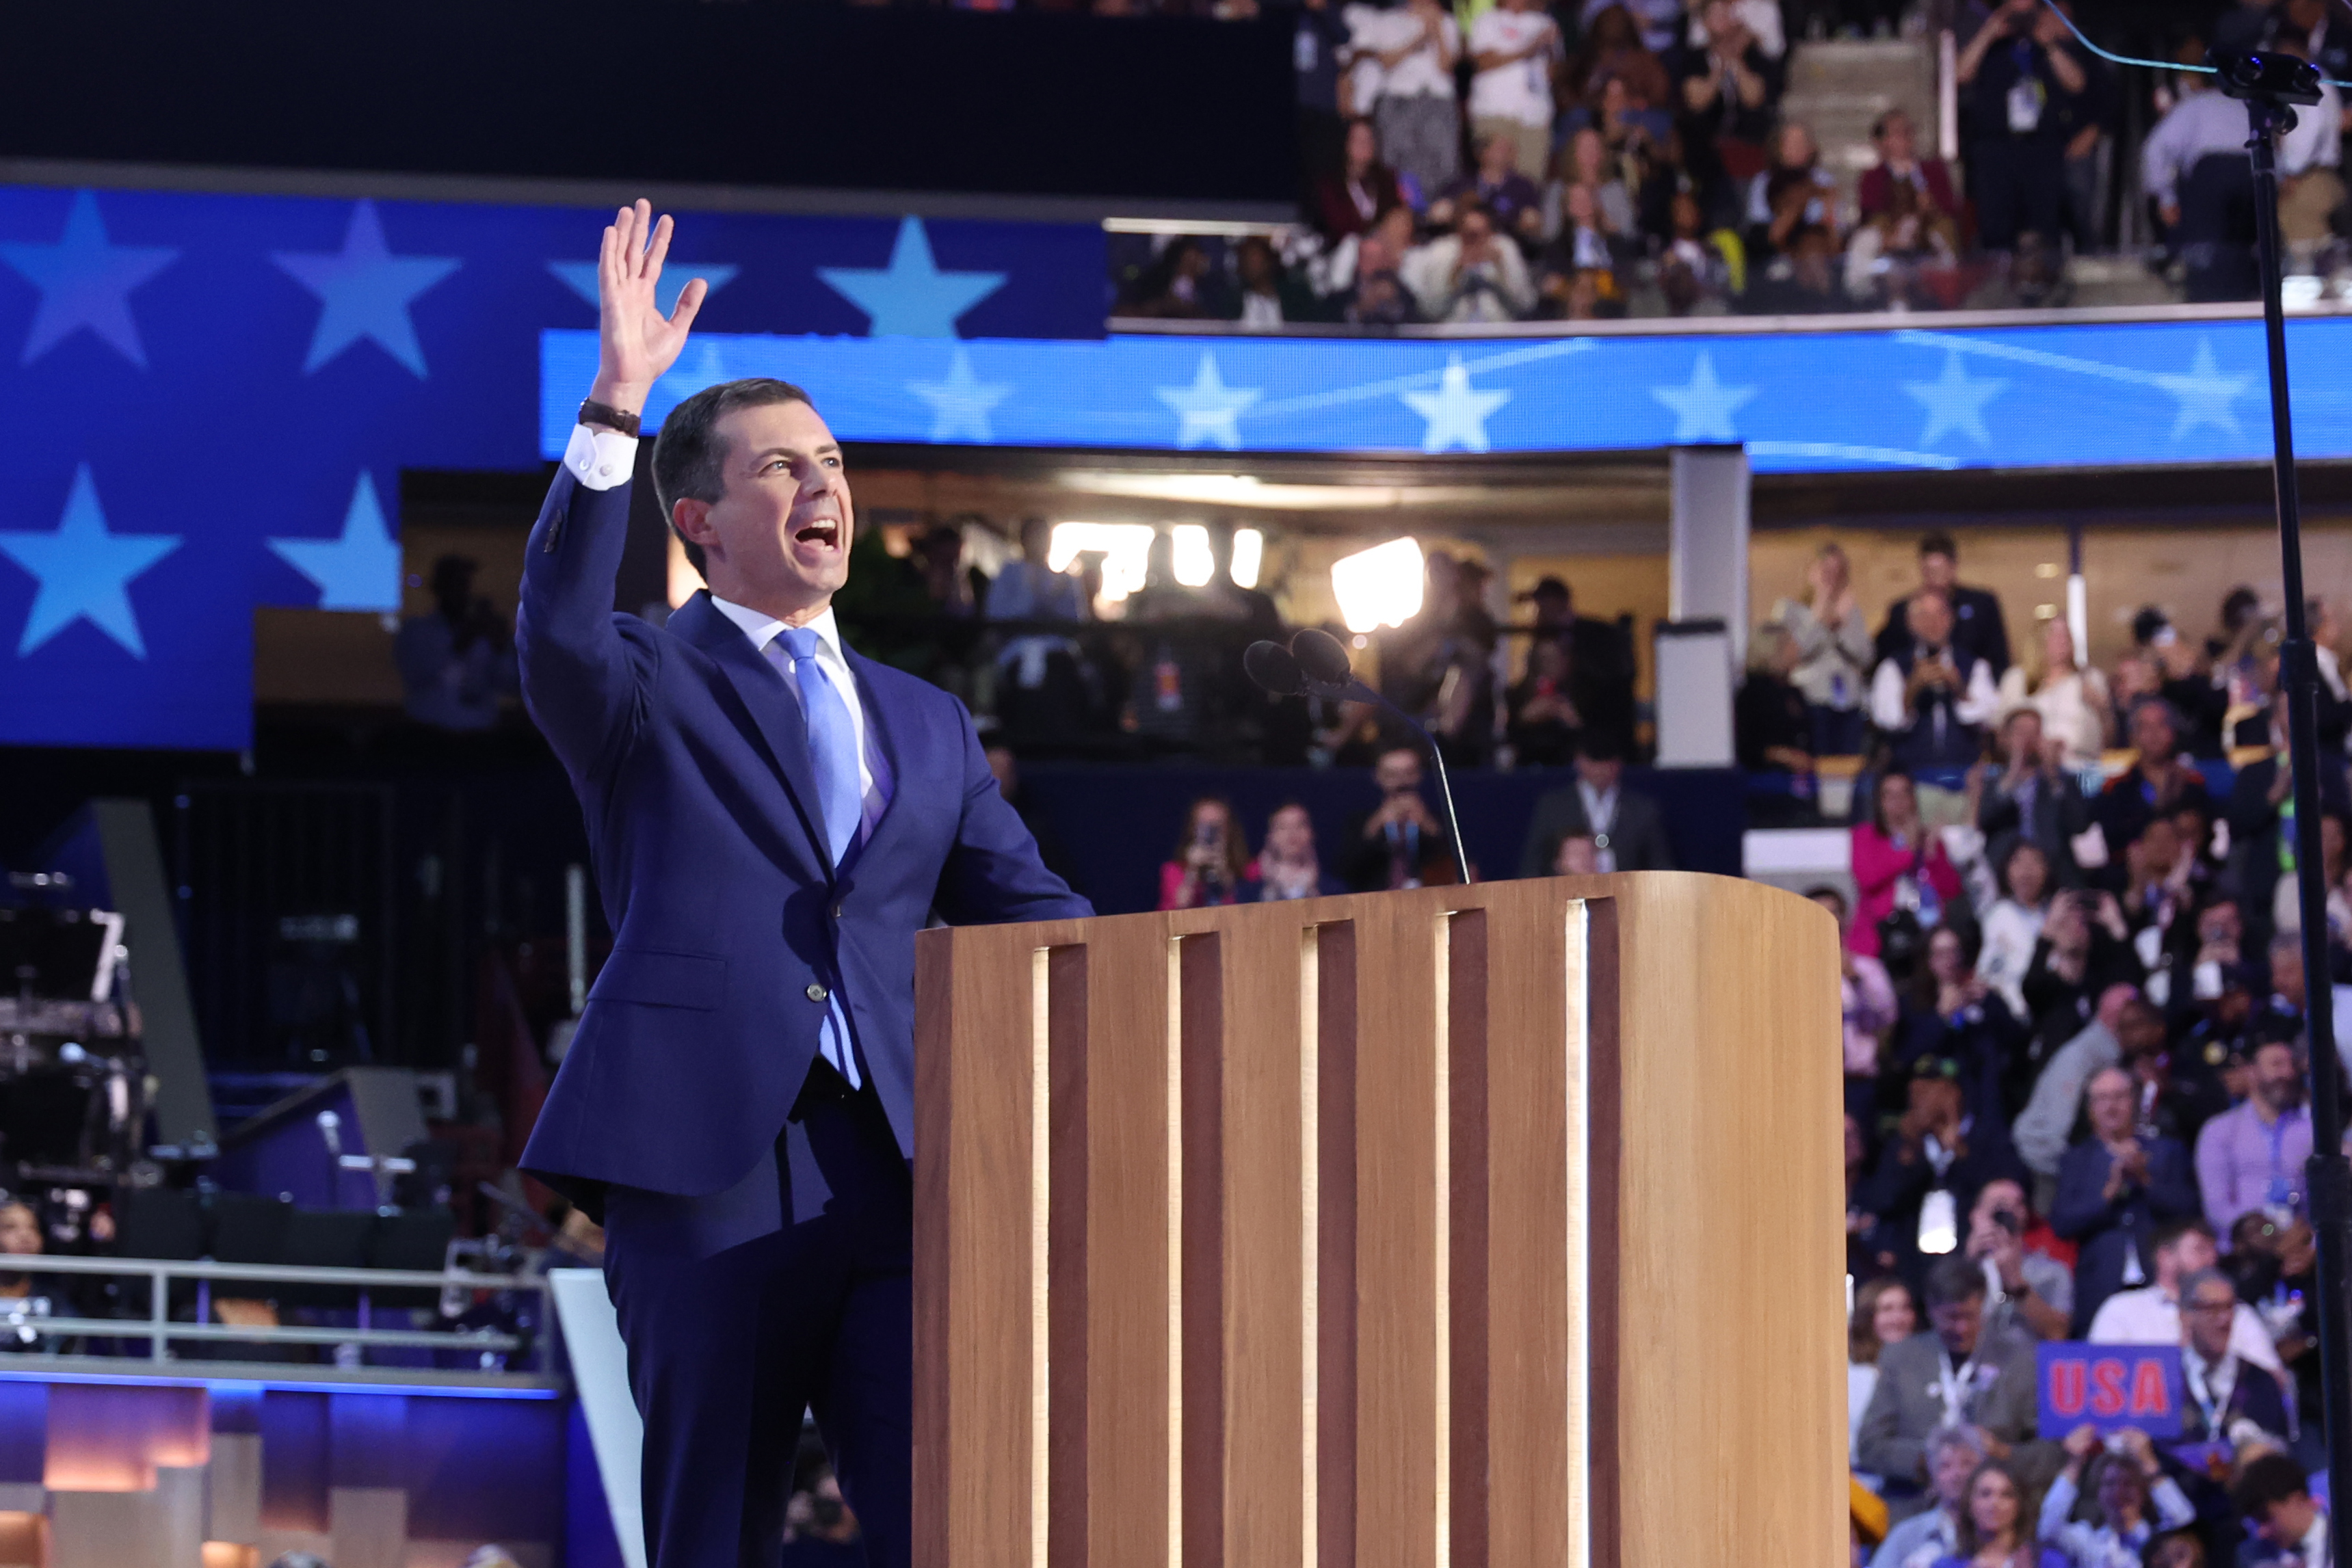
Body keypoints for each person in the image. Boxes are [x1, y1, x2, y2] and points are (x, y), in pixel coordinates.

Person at [516, 202, 1091, 1568]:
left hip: (893, 1171)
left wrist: (1209, 964)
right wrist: (615, 402)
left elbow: (1039, 917)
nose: (823, 485)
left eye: (830, 461)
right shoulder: (643, 680)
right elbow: (552, 622)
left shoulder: (929, 720)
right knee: (711, 1532)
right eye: (782, 469)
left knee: (942, 1523)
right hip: (703, 1165)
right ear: (703, 518)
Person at [1859, 1251, 2044, 1523]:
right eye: (1950, 1317)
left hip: (1999, 1513)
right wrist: (1931, 1459)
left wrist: (2003, 1454)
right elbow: (1871, 1446)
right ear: (1931, 1310)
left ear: (1983, 1305)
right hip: (1915, 1510)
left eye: (1969, 1316)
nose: (1961, 1328)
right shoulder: (1901, 1358)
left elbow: (2050, 1452)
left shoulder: (2018, 1360)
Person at [1858, 1057, 2029, 1293]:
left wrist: (1959, 1153)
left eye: (1927, 1092)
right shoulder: (1905, 1146)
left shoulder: (1987, 1139)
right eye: (1913, 1093)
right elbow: (1883, 1200)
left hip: (1971, 1260)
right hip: (1915, 1267)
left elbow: (2008, 1189)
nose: (1917, 1101)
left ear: (1954, 1093)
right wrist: (1912, 1155)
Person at [2051, 1065, 2200, 1333]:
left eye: (2119, 1097)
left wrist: (2145, 1180)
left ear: (2133, 1101)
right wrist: (2108, 1194)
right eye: (2102, 1099)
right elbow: (2062, 1223)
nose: (2111, 1107)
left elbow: (2188, 1210)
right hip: (2100, 1284)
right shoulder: (2076, 1160)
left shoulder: (2167, 1151)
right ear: (2090, 1109)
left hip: (2160, 1280)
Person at [1955, 0, 2089, 256]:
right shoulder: (1989, 38)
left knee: (2044, 231)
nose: (2021, 17)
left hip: (2041, 148)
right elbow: (1960, 75)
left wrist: (2048, 44)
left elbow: (2077, 83)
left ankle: (2045, 285)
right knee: (1996, 231)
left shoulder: (2050, 37)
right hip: (1996, 148)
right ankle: (1998, 286)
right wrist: (1990, 31)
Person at [2085, 1218, 2285, 1379]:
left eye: (2213, 1250)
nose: (2212, 1259)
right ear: (2165, 1257)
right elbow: (2099, 1383)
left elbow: (2273, 1382)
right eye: (2200, 1250)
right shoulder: (2122, 1310)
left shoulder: (2236, 1313)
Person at [1872, 590, 2002, 795]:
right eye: (1924, 615)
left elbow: (1989, 715)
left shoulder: (1973, 666)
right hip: (1912, 783)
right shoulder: (1894, 667)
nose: (1932, 623)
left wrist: (1958, 688)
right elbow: (1887, 720)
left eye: (1940, 614)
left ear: (1950, 619)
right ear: (1911, 622)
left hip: (1965, 780)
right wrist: (1913, 687)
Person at [2193, 1037, 2312, 1242]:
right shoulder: (2219, 1130)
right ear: (2251, 1071)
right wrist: (2262, 1235)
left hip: (2306, 1242)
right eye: (2276, 1065)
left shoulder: (2312, 1129)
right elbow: (2217, 1207)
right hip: (2244, 1250)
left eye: (2291, 1065)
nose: (2288, 1073)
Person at [2039, 1426, 2197, 1568]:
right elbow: (2047, 1529)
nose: (2118, 1492)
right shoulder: (2087, 1542)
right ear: (2098, 1493)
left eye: (2128, 1484)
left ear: (2142, 1491)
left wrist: (2149, 1464)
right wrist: (2074, 1464)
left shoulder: (2159, 1541)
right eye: (2109, 1484)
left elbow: (2184, 1520)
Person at [395, 553, 520, 732]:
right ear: (438, 587)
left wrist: (500, 646)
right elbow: (417, 674)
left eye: (464, 583)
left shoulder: (485, 632)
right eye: (454, 583)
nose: (461, 590)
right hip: (428, 731)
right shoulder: (416, 631)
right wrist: (462, 642)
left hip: (481, 731)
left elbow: (510, 683)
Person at [1775, 541, 1877, 758]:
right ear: (1812, 573)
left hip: (1849, 705)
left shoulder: (1850, 613)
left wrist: (1842, 628)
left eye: (1838, 572)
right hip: (1811, 702)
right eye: (1826, 571)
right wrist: (1818, 620)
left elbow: (1866, 658)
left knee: (1849, 766)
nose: (1832, 579)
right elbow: (1791, 655)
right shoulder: (1790, 610)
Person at [1850, 771, 1964, 964]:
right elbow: (1867, 878)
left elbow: (1951, 890)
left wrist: (1932, 855)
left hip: (1926, 937)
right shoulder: (1865, 836)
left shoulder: (1928, 839)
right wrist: (1907, 851)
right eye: (1890, 795)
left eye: (1904, 794)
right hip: (1881, 938)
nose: (1898, 801)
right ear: (1880, 801)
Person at [2093, 703, 2215, 885]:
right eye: (2145, 728)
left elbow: (2205, 839)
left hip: (2188, 879)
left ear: (2172, 733)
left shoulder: (2193, 784)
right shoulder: (2116, 788)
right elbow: (2113, 840)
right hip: (2130, 881)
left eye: (2161, 725)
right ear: (2133, 737)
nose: (2154, 735)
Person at [1518, 737, 1674, 877]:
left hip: (1629, 896)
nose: (1600, 770)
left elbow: (1661, 866)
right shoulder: (1553, 806)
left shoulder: (1643, 808)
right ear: (1578, 761)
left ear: (1618, 764)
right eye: (1594, 761)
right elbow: (1532, 866)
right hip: (1566, 897)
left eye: (1606, 762)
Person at [2173, 1266, 2292, 1450]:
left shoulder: (2260, 1381)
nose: (2224, 1320)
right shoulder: (2163, 1379)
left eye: (2229, 1307)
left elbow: (2280, 1453)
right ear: (2185, 1316)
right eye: (2211, 1309)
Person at [1875, 533, 2014, 680]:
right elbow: (1885, 659)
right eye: (1929, 572)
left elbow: (1999, 660)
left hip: (1973, 688)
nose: (1935, 580)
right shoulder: (1902, 611)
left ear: (1953, 567)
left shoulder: (1982, 605)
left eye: (1940, 571)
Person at [1978, 708, 2090, 887]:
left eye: (2035, 733)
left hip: (2054, 869)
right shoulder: (1991, 782)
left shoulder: (2062, 781)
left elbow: (2079, 825)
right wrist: (2013, 774)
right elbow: (1983, 821)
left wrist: (2052, 775)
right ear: (2004, 739)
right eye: (2021, 733)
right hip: (2003, 867)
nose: (2027, 740)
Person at [1366, 0, 1464, 205]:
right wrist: (1420, 38)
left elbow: (1446, 65)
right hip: (1399, 99)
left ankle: (1435, 217)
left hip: (1438, 99)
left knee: (1443, 163)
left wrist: (1436, 28)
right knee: (1395, 163)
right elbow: (1386, 62)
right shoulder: (1389, 20)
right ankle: (1399, 212)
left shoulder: (1447, 22)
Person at [1968, 1178, 2075, 1342]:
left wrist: (2016, 1282)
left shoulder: (2052, 1273)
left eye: (2018, 1204)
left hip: (2027, 1362)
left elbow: (2058, 1335)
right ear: (1976, 1215)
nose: (2008, 1213)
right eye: (1999, 1206)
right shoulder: (1955, 1268)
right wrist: (1968, 1266)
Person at [1465, 0, 1561, 181]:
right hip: (1494, 111)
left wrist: (1549, 49)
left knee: (1530, 180)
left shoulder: (1544, 23)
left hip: (1534, 116)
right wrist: (1528, 50)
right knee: (1494, 175)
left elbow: (1553, 74)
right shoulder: (1487, 20)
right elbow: (1483, 62)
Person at [1998, 618, 2112, 771]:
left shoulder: (2090, 679)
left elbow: (2109, 736)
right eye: (2055, 634)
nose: (2063, 640)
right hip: (2029, 771)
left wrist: (2101, 709)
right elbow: (2001, 731)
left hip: (2080, 768)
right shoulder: (2017, 679)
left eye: (2066, 635)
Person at [1401, 198, 1536, 321]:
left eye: (1482, 234)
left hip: (1498, 337)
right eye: (1471, 236)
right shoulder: (1442, 251)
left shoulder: (1505, 248)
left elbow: (1525, 305)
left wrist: (1501, 270)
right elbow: (1429, 310)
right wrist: (1454, 275)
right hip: (1454, 338)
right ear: (1459, 232)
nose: (1477, 242)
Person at [1816, 885, 1901, 1082]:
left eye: (1833, 913)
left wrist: (1856, 981)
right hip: (1814, 1079)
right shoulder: (1795, 971)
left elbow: (1887, 1018)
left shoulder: (1869, 969)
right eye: (1819, 913)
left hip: (1858, 1076)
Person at [1343, 745, 1453, 891]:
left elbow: (1458, 866)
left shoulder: (1439, 819)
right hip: (1375, 902)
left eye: (1409, 773)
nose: (1402, 782)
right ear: (1378, 777)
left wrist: (1428, 826)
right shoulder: (1361, 821)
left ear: (1419, 775)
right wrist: (1375, 826)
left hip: (1428, 899)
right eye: (1392, 775)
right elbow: (1346, 870)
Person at [1875, 1429, 1990, 1568]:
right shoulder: (1908, 1535)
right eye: (1946, 1466)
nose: (1957, 1474)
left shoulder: (2003, 1533)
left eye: (1966, 1464)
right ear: (1933, 1479)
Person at [1932, 1461, 2068, 1568]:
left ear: (2019, 1505)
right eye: (1985, 1494)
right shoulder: (1945, 1565)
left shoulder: (2050, 1562)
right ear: (1969, 1504)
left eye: (2006, 1495)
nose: (1994, 1503)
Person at [1979, 841, 2056, 1022]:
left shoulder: (2055, 912)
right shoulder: (2000, 914)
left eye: (2035, 862)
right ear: (2007, 871)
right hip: (2014, 1015)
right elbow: (1991, 973)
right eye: (2018, 862)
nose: (2026, 870)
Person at [1853, 1277, 1920, 1472]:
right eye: (1887, 1309)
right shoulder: (1853, 1374)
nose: (1898, 1318)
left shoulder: (1926, 1368)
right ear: (1867, 1317)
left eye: (1905, 1308)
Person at [1738, 622, 1815, 779]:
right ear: (1773, 649)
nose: (1798, 650)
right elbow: (1748, 745)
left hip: (1799, 782)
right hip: (1765, 783)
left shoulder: (1794, 692)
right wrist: (1783, 756)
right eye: (1791, 645)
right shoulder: (1752, 694)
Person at [1860, 109, 1962, 225]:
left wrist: (1930, 207)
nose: (1906, 136)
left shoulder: (1935, 170)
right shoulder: (1873, 177)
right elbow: (1870, 214)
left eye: (1908, 130)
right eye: (1898, 131)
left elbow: (1949, 209)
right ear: (1884, 141)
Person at [1314, 116, 1408, 241]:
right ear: (1346, 144)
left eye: (1368, 140)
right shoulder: (1331, 185)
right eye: (1357, 140)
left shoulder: (1388, 180)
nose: (1364, 145)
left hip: (1385, 250)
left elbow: (1398, 216)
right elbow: (1337, 226)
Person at [2229, 1453, 2329, 1568]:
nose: (2262, 1532)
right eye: (2256, 1522)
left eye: (2265, 1518)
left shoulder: (2344, 1538)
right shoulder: (2252, 1557)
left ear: (2298, 1500)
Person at [1159, 796, 1253, 910]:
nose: (1210, 835)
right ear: (1192, 829)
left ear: (1229, 830)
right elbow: (1177, 909)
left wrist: (1224, 873)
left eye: (1216, 827)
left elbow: (1250, 909)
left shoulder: (1248, 870)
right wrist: (1192, 872)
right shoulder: (1174, 871)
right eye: (1204, 826)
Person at [1244, 802, 1347, 901]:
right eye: (1283, 827)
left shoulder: (1333, 891)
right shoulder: (1249, 894)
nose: (1292, 833)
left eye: (1300, 826)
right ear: (1270, 837)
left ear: (1312, 834)